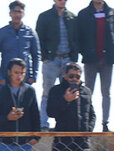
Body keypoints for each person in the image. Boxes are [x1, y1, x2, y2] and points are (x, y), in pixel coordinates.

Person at [76, 0, 114, 132]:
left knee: (106, 92)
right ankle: (86, 122)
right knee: (87, 91)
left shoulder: (112, 13)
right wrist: (84, 51)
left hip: (107, 59)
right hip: (90, 59)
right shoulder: (83, 14)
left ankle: (105, 123)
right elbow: (78, 36)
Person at [36, 0, 78, 130]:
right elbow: (39, 38)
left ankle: (65, 124)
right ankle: (43, 123)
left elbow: (77, 38)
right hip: (51, 60)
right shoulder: (44, 16)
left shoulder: (72, 17)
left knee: (69, 91)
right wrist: (45, 57)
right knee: (47, 92)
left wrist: (74, 56)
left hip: (68, 60)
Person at [0, 1, 40, 86]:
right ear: (10, 13)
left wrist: (34, 76)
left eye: (19, 12)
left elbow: (36, 55)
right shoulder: (1, 33)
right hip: (6, 79)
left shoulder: (30, 33)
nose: (17, 15)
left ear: (23, 14)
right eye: (14, 11)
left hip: (25, 79)